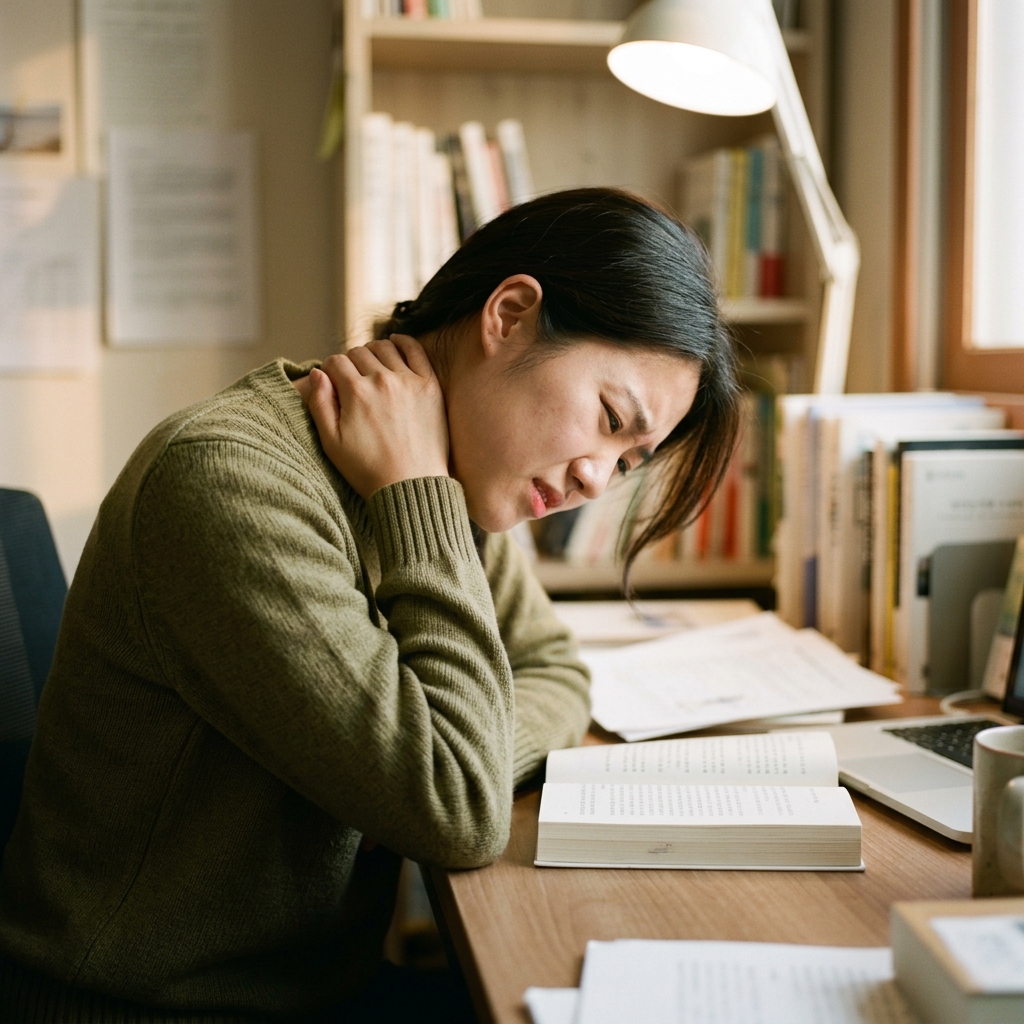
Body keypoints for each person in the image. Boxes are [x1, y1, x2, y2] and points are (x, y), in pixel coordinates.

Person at [0, 188, 740, 1023]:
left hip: (311, 990)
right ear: (512, 314)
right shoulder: (231, 480)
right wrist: (415, 492)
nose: (595, 479)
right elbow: (458, 808)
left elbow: (554, 670)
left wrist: (466, 750)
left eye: (630, 460)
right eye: (608, 419)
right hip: (138, 1009)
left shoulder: (457, 475)